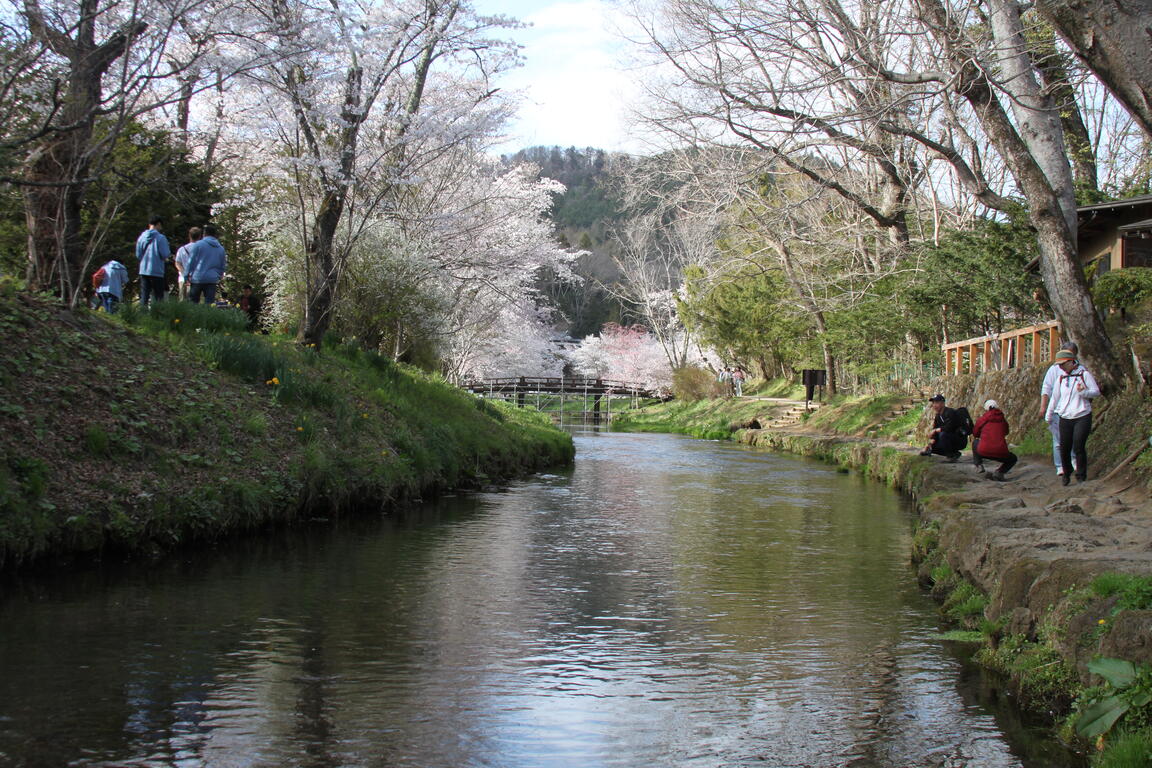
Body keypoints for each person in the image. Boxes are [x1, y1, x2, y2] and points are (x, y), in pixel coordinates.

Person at [1045, 349, 1100, 486]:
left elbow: (1096, 392)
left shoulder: (1084, 375)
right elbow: (1055, 397)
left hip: (1082, 415)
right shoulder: (1061, 378)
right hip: (1065, 416)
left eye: (1063, 364)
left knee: (1078, 446)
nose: (1061, 367)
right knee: (1064, 446)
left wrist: (1084, 392)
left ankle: (1081, 475)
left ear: (1071, 362)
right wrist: (1049, 413)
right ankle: (1067, 472)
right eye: (1059, 365)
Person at [1040, 341, 1079, 477]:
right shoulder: (1054, 370)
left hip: (1075, 409)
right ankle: (1060, 465)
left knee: (1074, 437)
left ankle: (1074, 461)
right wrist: (1044, 407)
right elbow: (1047, 389)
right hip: (1058, 410)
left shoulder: (1080, 369)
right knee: (1058, 440)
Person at [971, 399, 1018, 481]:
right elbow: (1006, 432)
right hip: (1001, 452)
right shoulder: (1003, 420)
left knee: (975, 442)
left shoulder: (983, 419)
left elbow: (975, 433)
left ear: (986, 408)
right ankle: (999, 472)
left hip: (983, 450)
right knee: (1013, 458)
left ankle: (979, 465)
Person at [185, 223, 227, 305]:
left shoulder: (198, 245)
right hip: (212, 279)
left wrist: (186, 275)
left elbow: (191, 261)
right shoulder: (221, 248)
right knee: (209, 304)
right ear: (215, 235)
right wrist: (218, 275)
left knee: (193, 303)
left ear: (204, 234)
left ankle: (193, 317)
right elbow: (223, 265)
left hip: (197, 278)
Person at [136, 215, 171, 306]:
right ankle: (157, 315)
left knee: (144, 295)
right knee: (158, 296)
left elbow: (138, 254)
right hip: (157, 270)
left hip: (144, 269)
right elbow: (165, 254)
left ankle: (142, 314)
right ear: (158, 224)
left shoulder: (141, 237)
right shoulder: (161, 238)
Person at [919, 393, 965, 461]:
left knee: (943, 434)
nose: (934, 405)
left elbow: (950, 427)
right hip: (947, 438)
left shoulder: (950, 412)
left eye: (937, 403)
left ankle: (951, 455)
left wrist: (936, 430)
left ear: (943, 404)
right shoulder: (938, 416)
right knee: (932, 447)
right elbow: (936, 429)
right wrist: (930, 444)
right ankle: (954, 453)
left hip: (959, 439)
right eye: (933, 403)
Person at [174, 226, 202, 301]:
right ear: (200, 236)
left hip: (183, 279)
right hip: (197, 280)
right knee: (195, 302)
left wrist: (184, 273)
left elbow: (177, 263)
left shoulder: (182, 249)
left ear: (189, 236)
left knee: (182, 302)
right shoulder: (201, 249)